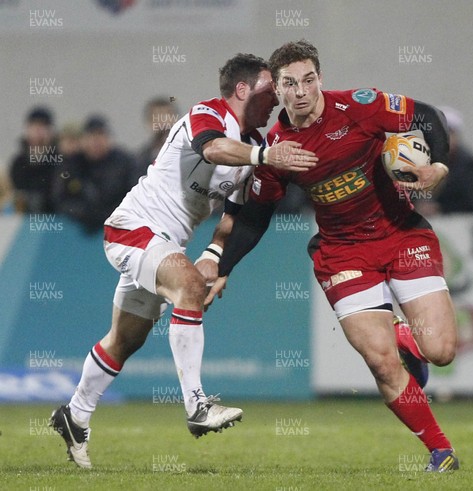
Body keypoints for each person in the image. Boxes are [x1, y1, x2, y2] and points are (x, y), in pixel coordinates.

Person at [50, 53, 317, 469]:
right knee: (188, 286)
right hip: (133, 227)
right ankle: (197, 407)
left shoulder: (256, 146)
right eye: (269, 91)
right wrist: (264, 159)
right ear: (242, 90)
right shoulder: (208, 113)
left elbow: (232, 213)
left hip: (167, 242)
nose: (277, 101)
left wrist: (214, 255)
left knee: (126, 339)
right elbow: (212, 149)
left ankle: (75, 414)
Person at [206, 40, 459, 472]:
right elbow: (255, 218)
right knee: (380, 362)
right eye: (290, 83)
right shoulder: (277, 149)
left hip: (402, 236)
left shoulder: (362, 105)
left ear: (320, 78)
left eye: (308, 80)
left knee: (442, 351)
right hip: (342, 253)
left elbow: (427, 117)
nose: (301, 91)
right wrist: (223, 268)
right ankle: (441, 451)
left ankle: (407, 339)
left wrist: (439, 165)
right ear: (278, 88)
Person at [51, 115, 135, 234]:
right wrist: (85, 213)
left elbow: (133, 195)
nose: (96, 141)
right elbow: (60, 199)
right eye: (91, 136)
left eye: (100, 135)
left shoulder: (124, 163)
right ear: (83, 140)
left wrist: (108, 214)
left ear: (108, 139)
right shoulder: (72, 165)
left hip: (118, 228)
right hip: (76, 230)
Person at [9, 106, 58, 213]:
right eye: (34, 126)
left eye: (43, 126)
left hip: (54, 219)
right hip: (24, 222)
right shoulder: (18, 162)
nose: (38, 131)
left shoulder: (60, 161)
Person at [131, 96, 179, 185]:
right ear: (148, 122)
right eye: (157, 116)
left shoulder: (190, 151)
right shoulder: (140, 159)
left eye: (168, 115)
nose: (163, 122)